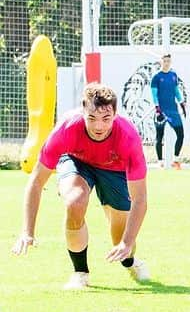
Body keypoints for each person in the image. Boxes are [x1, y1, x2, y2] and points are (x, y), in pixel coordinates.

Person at [10, 84, 151, 289]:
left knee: (120, 238)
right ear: (83, 111)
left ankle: (130, 262)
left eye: (106, 119)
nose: (99, 127)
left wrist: (127, 243)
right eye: (92, 118)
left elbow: (140, 199)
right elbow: (36, 181)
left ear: (115, 115)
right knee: (75, 202)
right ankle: (80, 273)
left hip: (115, 169)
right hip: (77, 161)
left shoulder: (128, 138)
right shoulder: (67, 128)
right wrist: (27, 231)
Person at [150, 53, 185, 168]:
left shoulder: (173, 75)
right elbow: (154, 94)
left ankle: (176, 160)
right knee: (160, 136)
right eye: (164, 61)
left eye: (168, 61)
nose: (166, 63)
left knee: (180, 134)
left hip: (173, 110)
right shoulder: (156, 77)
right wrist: (157, 108)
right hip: (161, 111)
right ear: (161, 62)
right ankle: (160, 162)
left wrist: (182, 103)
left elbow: (176, 91)